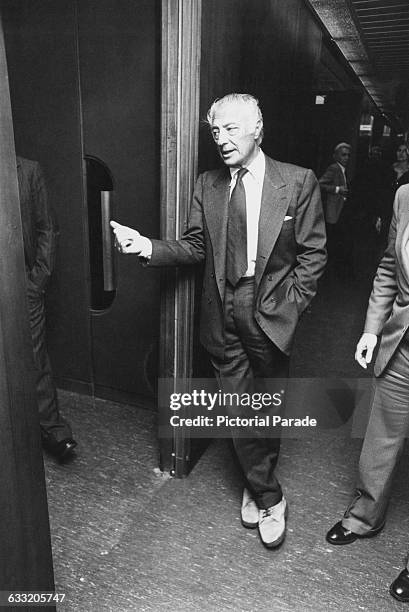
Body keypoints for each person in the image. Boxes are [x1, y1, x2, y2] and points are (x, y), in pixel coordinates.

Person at [111, 93, 327, 548]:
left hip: (271, 306)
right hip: (223, 307)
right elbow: (194, 247)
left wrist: (291, 303)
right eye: (215, 132)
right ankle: (270, 497)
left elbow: (312, 255)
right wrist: (147, 246)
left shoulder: (297, 181)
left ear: (257, 130)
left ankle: (254, 481)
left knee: (268, 405)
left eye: (231, 129)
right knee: (239, 410)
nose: (222, 140)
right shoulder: (207, 185)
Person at [325, 183, 409, 602]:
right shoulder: (405, 196)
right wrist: (372, 330)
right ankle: (364, 516)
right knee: (381, 436)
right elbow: (390, 268)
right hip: (403, 345)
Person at [18, 155, 77, 461]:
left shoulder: (27, 170)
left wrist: (37, 281)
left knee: (35, 357)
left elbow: (47, 228)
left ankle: (54, 431)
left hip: (22, 282)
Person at [319, 142, 352, 278]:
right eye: (343, 155)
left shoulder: (343, 170)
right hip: (333, 211)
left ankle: (332, 270)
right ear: (336, 156)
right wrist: (337, 189)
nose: (347, 158)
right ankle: (327, 272)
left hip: (340, 210)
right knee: (331, 240)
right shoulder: (334, 168)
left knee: (336, 240)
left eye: (348, 155)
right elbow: (320, 183)